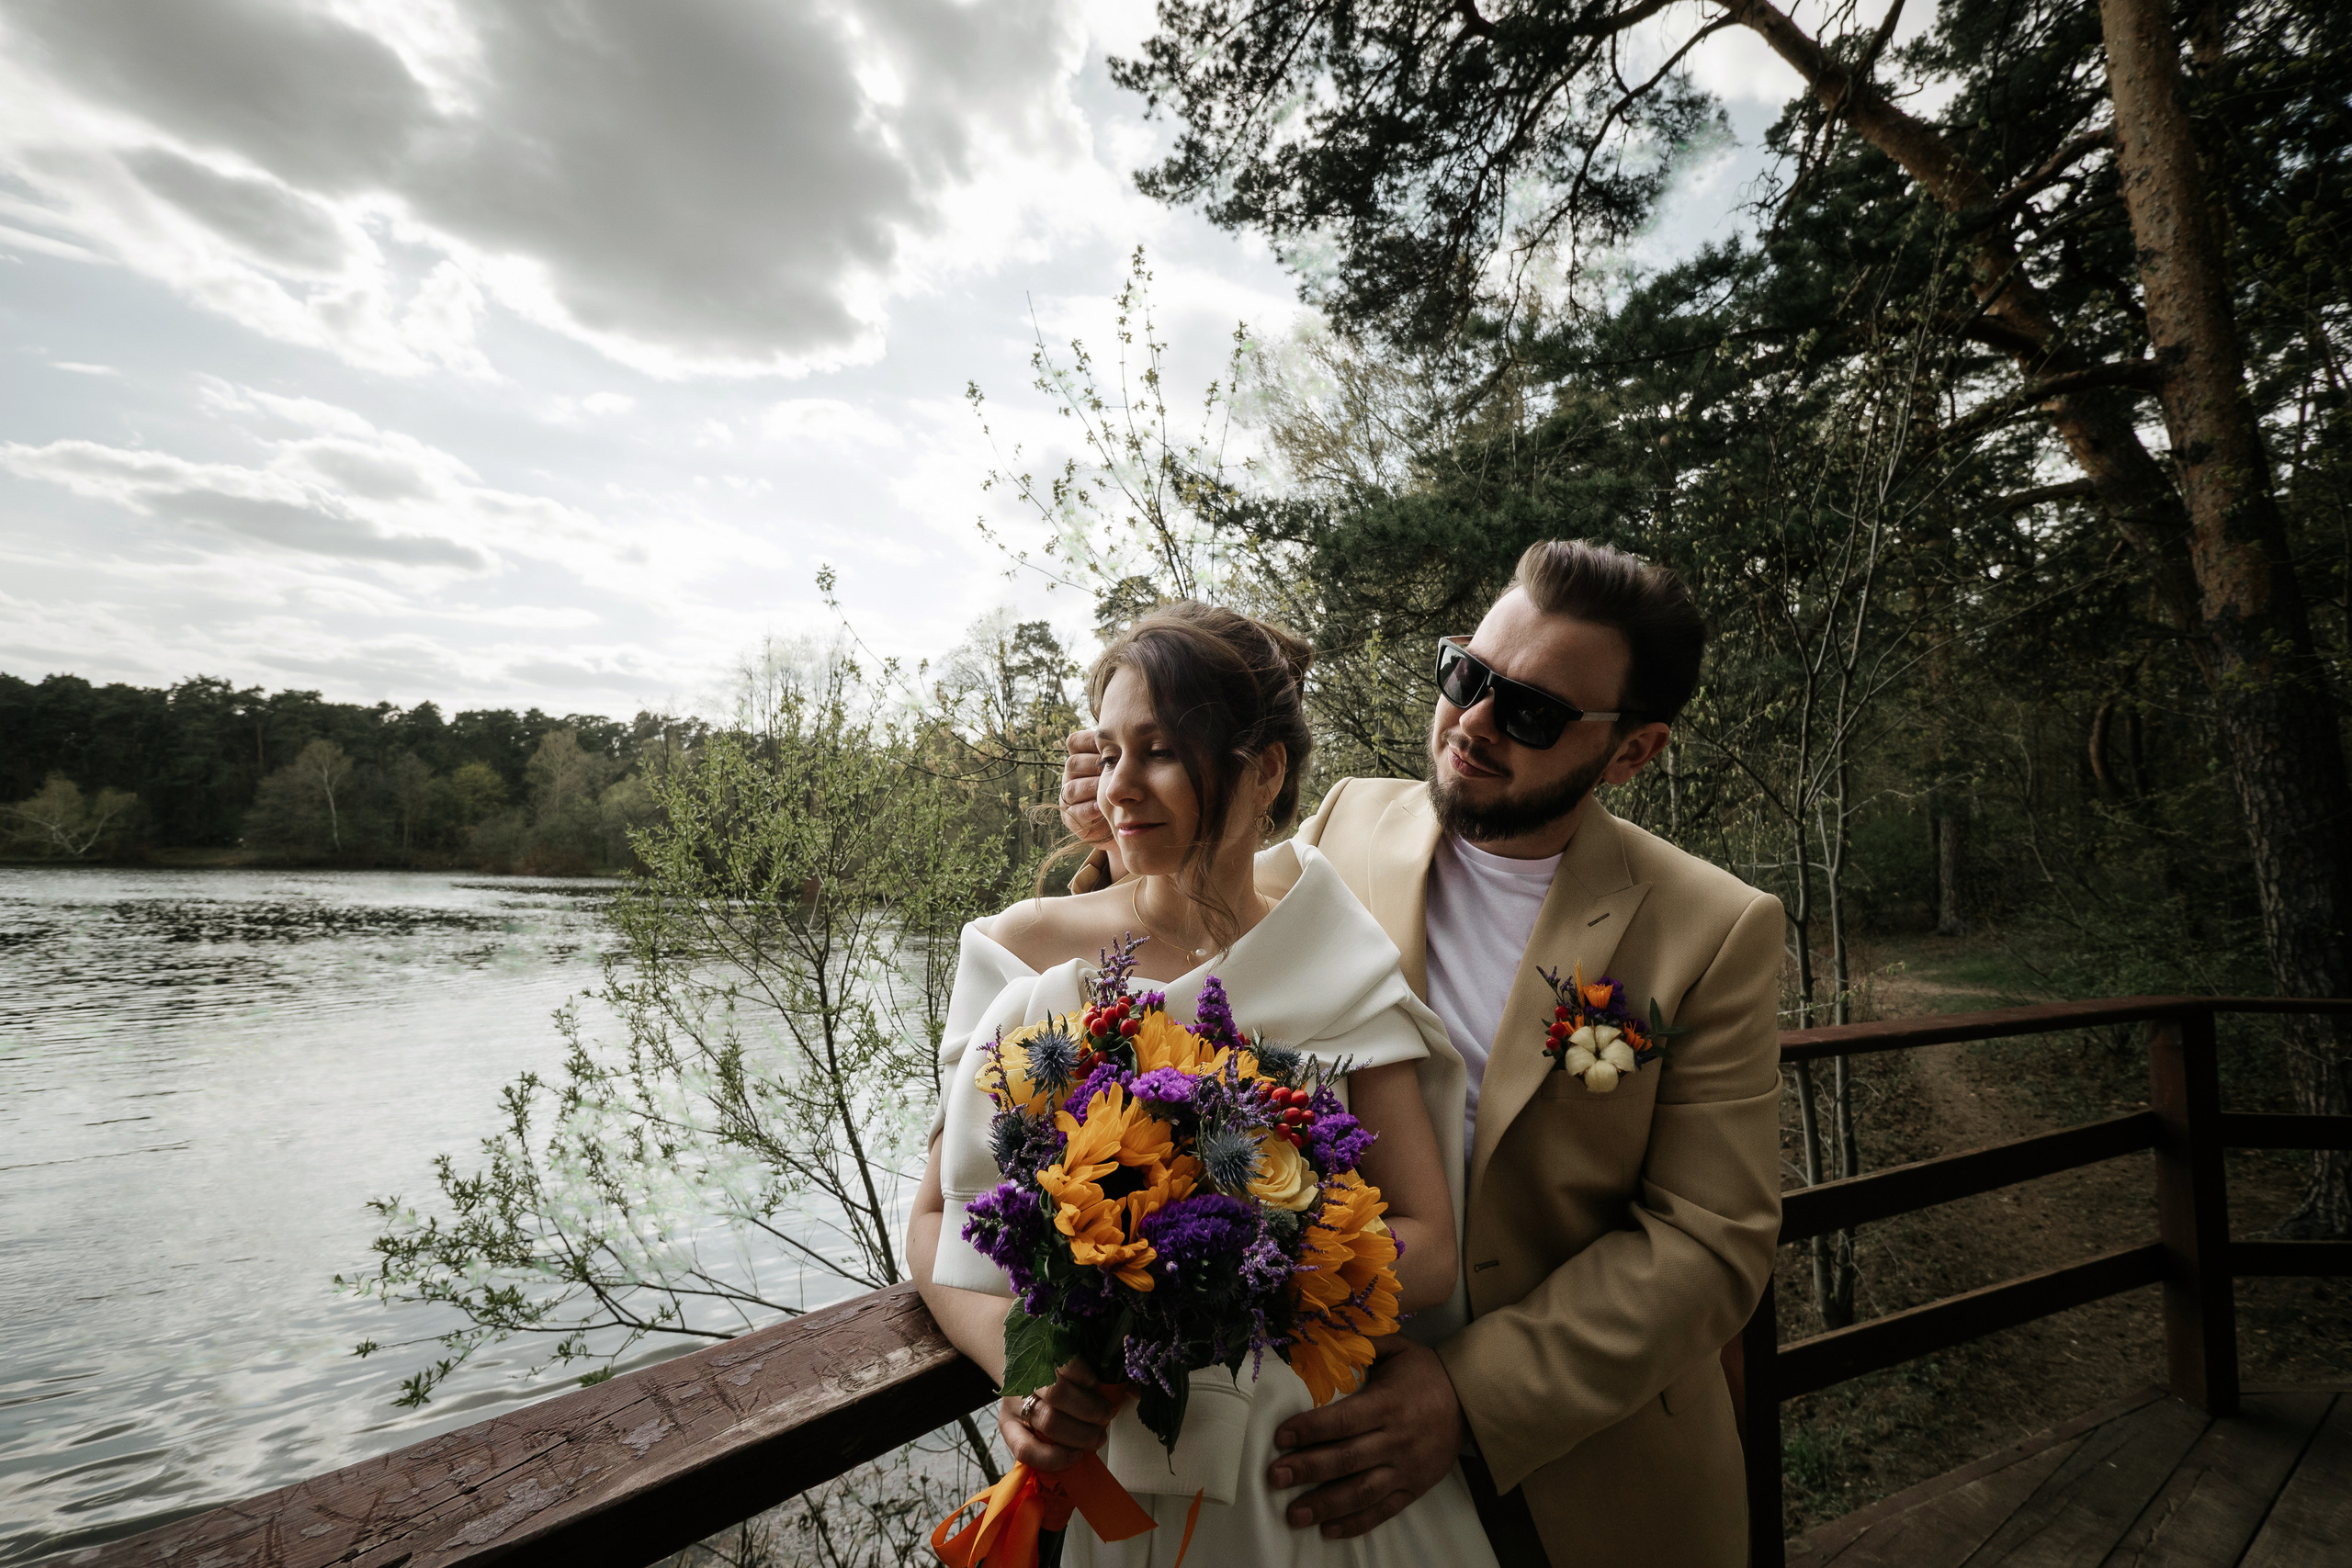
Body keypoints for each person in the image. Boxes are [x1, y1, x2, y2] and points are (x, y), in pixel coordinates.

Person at [1057, 541, 1783, 1568]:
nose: (1473, 724)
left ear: (1633, 751)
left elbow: (1710, 1240)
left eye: (1530, 712)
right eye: (1465, 676)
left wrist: (1467, 1391)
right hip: (1328, 1451)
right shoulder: (1347, 824)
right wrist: (1121, 823)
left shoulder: (1713, 930)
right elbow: (1200, 926)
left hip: (1584, 1473)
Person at [909, 602, 1502, 1567]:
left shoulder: (1335, 959)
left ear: (1261, 768)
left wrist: (1218, 1273)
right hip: (1119, 1484)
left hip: (1308, 1482)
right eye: (1105, 752)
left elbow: (1429, 1250)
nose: (1118, 787)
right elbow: (939, 1221)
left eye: (1158, 751)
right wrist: (1024, 1376)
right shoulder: (1026, 956)